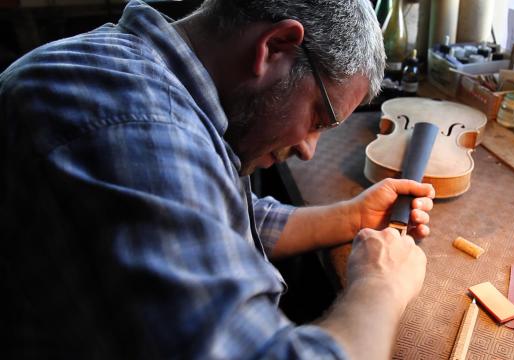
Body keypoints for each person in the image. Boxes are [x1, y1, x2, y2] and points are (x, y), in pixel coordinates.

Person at [0, 0, 435, 358]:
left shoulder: (146, 76)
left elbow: (213, 218)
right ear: (275, 46)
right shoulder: (137, 123)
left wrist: (353, 215)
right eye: (319, 118)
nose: (308, 148)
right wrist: (380, 285)